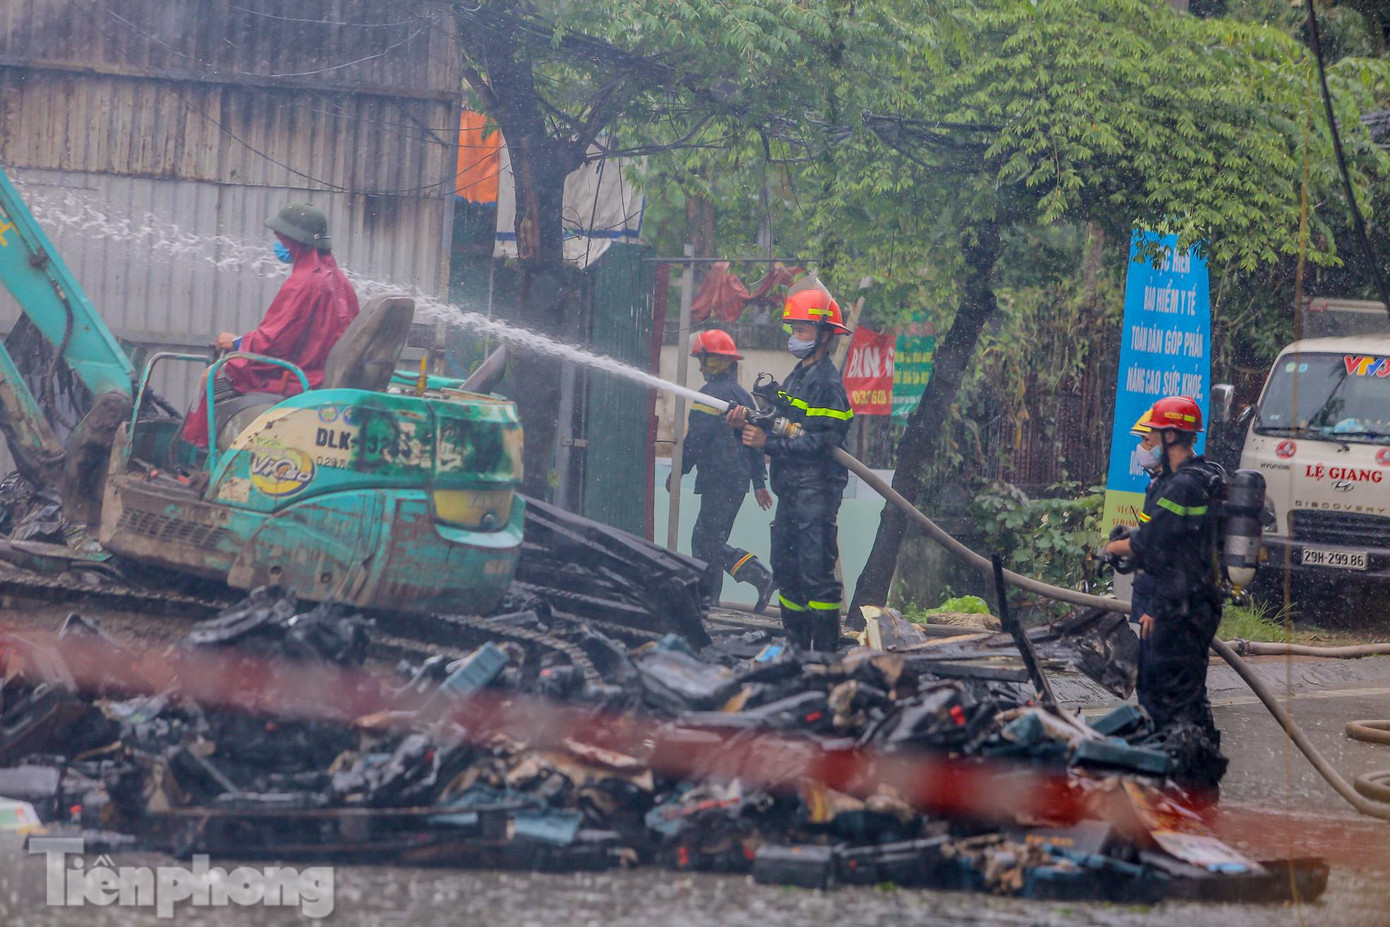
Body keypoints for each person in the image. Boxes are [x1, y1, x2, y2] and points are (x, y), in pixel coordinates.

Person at [1105, 395, 1228, 790]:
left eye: (1153, 435)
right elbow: (1174, 541)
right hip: (1189, 602)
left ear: (1172, 435)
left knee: (1166, 698)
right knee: (1185, 695)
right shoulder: (1202, 478)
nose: (1148, 444)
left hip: (1177, 607)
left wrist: (1114, 547)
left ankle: (1183, 781)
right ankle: (1196, 777)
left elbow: (1153, 545)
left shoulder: (1182, 486)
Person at [725, 278, 853, 651]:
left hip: (816, 494)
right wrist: (745, 425)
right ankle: (797, 653)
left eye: (802, 330)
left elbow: (822, 442)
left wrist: (767, 443)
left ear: (825, 334)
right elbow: (783, 425)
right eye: (793, 329)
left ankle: (824, 658)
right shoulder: (799, 375)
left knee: (815, 577)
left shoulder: (827, 384)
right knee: (787, 573)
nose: (795, 337)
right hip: (791, 493)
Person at [182, 203, 360, 448]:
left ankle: (200, 450)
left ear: (295, 241)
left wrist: (236, 342)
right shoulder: (339, 280)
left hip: (300, 378)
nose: (278, 243)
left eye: (281, 238)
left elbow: (273, 343)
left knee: (211, 377)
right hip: (319, 373)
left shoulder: (303, 282)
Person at [678, 330, 777, 611]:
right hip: (736, 481)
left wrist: (679, 469)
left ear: (716, 361)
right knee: (710, 541)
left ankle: (759, 576)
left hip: (718, 478)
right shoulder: (742, 395)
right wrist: (759, 483)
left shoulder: (710, 395)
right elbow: (754, 443)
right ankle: (709, 600)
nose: (700, 368)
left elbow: (696, 439)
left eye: (702, 360)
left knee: (706, 541)